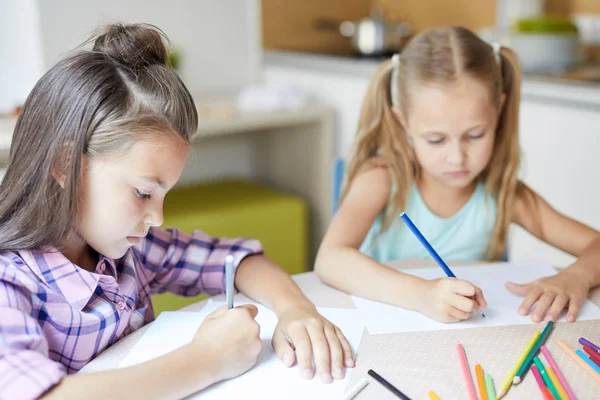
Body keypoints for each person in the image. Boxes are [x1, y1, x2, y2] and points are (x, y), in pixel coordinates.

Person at [0, 23, 353, 400]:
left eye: (163, 194)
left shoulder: (126, 251)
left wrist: (296, 309)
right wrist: (206, 360)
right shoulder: (10, 284)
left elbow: (237, 259)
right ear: (65, 165)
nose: (158, 217)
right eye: (142, 192)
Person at [315, 26, 600, 326]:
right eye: (436, 140)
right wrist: (422, 295)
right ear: (404, 123)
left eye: (475, 135)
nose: (457, 157)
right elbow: (330, 259)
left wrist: (576, 276)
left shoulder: (505, 195)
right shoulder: (382, 179)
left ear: (499, 111)